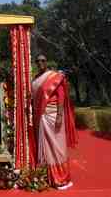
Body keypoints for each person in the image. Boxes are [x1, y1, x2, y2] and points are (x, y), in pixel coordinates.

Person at [32, 54, 78, 190]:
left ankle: (61, 178)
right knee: (45, 148)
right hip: (41, 118)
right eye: (37, 61)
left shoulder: (54, 76)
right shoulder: (35, 79)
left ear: (47, 62)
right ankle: (47, 177)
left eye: (43, 60)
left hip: (53, 115)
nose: (40, 63)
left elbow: (61, 95)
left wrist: (59, 115)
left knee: (57, 148)